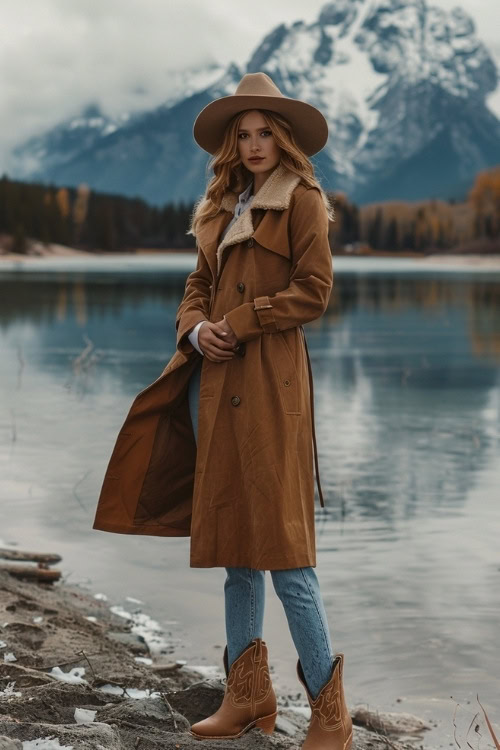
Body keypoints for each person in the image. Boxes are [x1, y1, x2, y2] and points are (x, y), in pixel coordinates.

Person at [92, 71, 352, 750]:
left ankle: (332, 714)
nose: (256, 142)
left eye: (266, 132)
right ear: (231, 144)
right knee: (238, 552)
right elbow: (197, 284)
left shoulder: (302, 199)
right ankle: (247, 697)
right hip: (216, 389)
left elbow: (315, 291)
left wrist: (244, 318)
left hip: (271, 391)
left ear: (284, 138)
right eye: (245, 134)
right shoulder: (218, 207)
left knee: (289, 558)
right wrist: (194, 328)